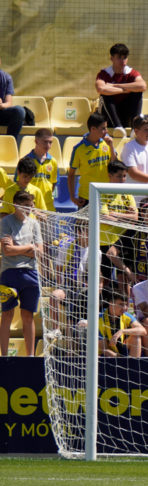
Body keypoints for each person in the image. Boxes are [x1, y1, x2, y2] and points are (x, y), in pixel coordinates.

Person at [0, 190, 43, 356]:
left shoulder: (34, 224)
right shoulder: (6, 222)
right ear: (16, 205)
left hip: (31, 273)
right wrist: (30, 247)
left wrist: (19, 248)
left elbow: (40, 252)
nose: (30, 209)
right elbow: (7, 251)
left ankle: (30, 356)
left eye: (31, 206)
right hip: (10, 272)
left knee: (28, 316)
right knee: (7, 314)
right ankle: (3, 356)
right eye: (26, 206)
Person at [95, 160, 140, 296]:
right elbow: (104, 218)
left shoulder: (127, 194)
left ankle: (125, 307)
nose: (123, 179)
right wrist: (126, 217)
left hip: (123, 242)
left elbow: (137, 218)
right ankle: (103, 307)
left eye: (125, 176)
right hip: (104, 242)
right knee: (105, 280)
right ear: (110, 176)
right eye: (119, 176)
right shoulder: (102, 193)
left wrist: (115, 215)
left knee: (124, 279)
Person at [94, 44, 146, 138]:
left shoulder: (131, 72)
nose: (123, 61)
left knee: (137, 92)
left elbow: (142, 86)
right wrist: (125, 90)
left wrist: (115, 86)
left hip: (126, 115)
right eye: (119, 58)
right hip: (108, 116)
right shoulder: (104, 73)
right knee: (105, 94)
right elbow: (100, 88)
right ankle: (118, 127)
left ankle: (134, 128)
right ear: (111, 58)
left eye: (125, 57)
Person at [67, 112, 116, 210]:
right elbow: (71, 174)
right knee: (84, 226)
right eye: (103, 128)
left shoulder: (107, 143)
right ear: (93, 129)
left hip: (106, 196)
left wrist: (111, 146)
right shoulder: (79, 148)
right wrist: (72, 196)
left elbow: (114, 165)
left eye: (106, 128)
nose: (106, 131)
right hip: (87, 197)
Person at [98, 289, 145, 357]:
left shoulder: (125, 315)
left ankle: (134, 366)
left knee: (136, 338)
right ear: (111, 303)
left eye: (125, 304)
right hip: (105, 355)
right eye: (121, 304)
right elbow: (104, 348)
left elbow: (143, 331)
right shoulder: (100, 319)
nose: (125, 308)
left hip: (121, 350)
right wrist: (120, 360)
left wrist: (122, 331)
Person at [22, 129, 58, 213]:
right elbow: (20, 183)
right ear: (36, 141)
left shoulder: (53, 161)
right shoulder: (25, 160)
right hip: (30, 204)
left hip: (47, 205)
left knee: (49, 226)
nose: (48, 145)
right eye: (45, 141)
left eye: (50, 142)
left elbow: (53, 184)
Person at [0, 57, 25, 135]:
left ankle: (10, 142)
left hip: (1, 113)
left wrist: (0, 105)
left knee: (19, 111)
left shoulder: (6, 78)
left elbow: (8, 103)